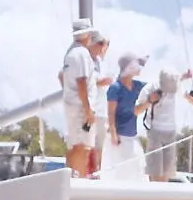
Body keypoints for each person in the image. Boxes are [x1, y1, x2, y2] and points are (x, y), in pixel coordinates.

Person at [60, 19, 99, 178]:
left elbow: (62, 77)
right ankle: (78, 180)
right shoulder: (82, 54)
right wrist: (88, 109)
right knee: (83, 147)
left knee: (75, 145)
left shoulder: (70, 53)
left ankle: (69, 178)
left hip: (72, 104)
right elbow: (82, 82)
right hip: (81, 107)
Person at [102, 53, 148, 181]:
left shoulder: (137, 86)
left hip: (132, 135)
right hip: (119, 135)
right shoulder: (115, 88)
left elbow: (155, 87)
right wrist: (113, 134)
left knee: (138, 165)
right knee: (121, 169)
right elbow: (111, 114)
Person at [141, 68, 190, 182]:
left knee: (167, 173)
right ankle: (155, 198)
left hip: (171, 132)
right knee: (155, 172)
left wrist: (185, 77)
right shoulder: (150, 88)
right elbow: (136, 109)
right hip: (155, 131)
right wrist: (149, 100)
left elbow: (179, 83)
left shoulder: (175, 85)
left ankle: (163, 199)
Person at [88, 31, 113, 173]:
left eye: (106, 45)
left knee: (100, 145)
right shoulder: (87, 61)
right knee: (88, 144)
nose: (104, 47)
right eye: (102, 44)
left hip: (102, 110)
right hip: (90, 109)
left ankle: (97, 172)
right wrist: (100, 81)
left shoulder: (103, 64)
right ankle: (88, 172)